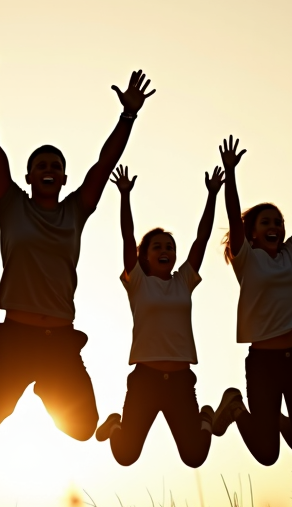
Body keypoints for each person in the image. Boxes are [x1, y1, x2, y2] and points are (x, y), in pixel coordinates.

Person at [0, 39, 155, 440]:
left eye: (56, 167)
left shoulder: (75, 211)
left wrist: (128, 114)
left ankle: (47, 383)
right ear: (28, 177)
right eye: (40, 166)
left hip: (60, 342)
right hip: (15, 338)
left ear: (64, 179)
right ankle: (21, 381)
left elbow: (104, 163)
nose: (48, 170)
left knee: (82, 430)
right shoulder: (11, 205)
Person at [211, 133, 292, 465]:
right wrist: (231, 174)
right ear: (252, 232)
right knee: (268, 454)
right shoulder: (246, 257)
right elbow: (232, 214)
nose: (275, 226)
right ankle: (237, 407)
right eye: (266, 222)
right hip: (264, 364)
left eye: (278, 222)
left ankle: (254, 415)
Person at [94, 163, 225, 466]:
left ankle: (205, 417)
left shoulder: (184, 281)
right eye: (157, 247)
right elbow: (127, 238)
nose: (165, 250)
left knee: (194, 456)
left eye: (169, 247)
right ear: (146, 255)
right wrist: (125, 196)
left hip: (180, 381)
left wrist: (212, 195)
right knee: (126, 455)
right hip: (146, 381)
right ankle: (115, 423)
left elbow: (201, 240)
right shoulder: (138, 282)